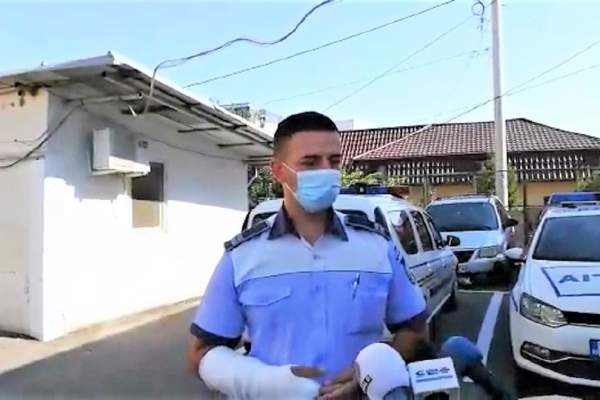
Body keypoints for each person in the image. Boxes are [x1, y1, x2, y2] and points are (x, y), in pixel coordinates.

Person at [187, 111, 430, 399]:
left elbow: (416, 333)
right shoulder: (242, 257)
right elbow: (202, 354)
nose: (326, 171)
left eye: (334, 161)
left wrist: (370, 371)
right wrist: (270, 384)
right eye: (311, 162)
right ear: (278, 171)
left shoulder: (377, 246)